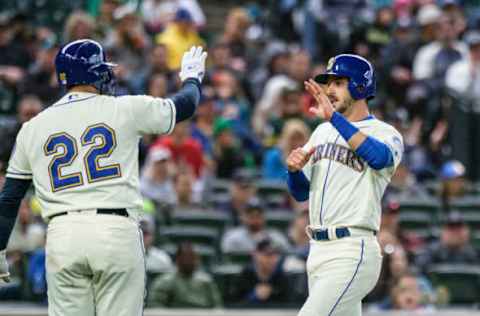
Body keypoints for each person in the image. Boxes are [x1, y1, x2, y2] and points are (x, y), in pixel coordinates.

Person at [0, 39, 207, 316]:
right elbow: (186, 105)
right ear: (95, 72)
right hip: (115, 230)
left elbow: (10, 197)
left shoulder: (32, 127)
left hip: (63, 235)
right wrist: (192, 78)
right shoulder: (124, 108)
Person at [286, 54, 404, 316]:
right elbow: (301, 193)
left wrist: (335, 120)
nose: (330, 90)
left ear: (360, 86)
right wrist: (293, 171)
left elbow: (378, 158)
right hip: (316, 250)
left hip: (352, 249)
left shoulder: (385, 132)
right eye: (329, 83)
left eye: (339, 82)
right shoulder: (322, 132)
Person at [147, 242, 222, 308]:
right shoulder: (165, 281)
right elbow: (155, 306)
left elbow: (217, 307)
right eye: (186, 258)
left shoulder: (207, 281)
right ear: (178, 259)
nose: (189, 261)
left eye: (193, 258)